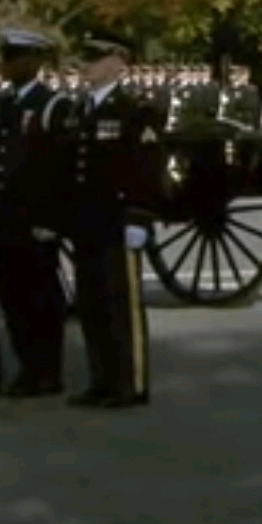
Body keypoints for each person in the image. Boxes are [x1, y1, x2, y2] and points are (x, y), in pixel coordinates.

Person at [51, 32, 166, 408]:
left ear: (119, 64)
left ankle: (129, 383)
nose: (87, 66)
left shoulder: (134, 108)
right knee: (92, 304)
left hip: (118, 219)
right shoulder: (79, 108)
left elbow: (145, 167)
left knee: (121, 305)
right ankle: (101, 379)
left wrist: (139, 215)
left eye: (96, 59)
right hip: (87, 220)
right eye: (86, 59)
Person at [0, 29, 69, 398]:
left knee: (42, 296)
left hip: (35, 219)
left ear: (31, 63)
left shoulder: (52, 105)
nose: (4, 66)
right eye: (4, 59)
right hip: (7, 218)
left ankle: (47, 368)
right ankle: (28, 365)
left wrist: (51, 219)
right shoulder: (0, 106)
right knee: (13, 296)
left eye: (12, 59)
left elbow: (59, 169)